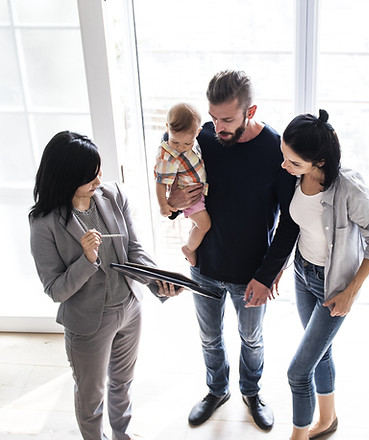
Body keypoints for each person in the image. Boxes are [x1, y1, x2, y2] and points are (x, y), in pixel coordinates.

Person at [165, 70, 299, 431]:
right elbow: (174, 181)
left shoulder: (276, 149)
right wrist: (173, 202)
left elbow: (291, 221)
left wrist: (267, 274)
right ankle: (216, 389)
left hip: (251, 273)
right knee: (209, 336)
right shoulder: (202, 138)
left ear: (250, 111)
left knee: (251, 339)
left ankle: (251, 392)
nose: (217, 126)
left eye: (227, 119)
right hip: (205, 265)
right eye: (212, 117)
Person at [29, 131, 182, 440]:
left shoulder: (113, 195)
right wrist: (87, 259)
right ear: (66, 177)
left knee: (122, 384)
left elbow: (134, 251)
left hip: (129, 308)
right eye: (90, 176)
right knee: (91, 396)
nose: (99, 179)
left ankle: (122, 436)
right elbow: (56, 290)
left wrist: (157, 279)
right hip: (88, 323)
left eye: (98, 171)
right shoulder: (44, 223)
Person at [279, 110, 369, 440]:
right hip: (302, 273)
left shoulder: (349, 190)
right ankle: (327, 420)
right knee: (320, 353)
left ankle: (297, 437)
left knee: (298, 371)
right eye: (284, 157)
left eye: (294, 163)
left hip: (333, 286)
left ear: (321, 162)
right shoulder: (294, 175)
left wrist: (351, 292)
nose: (286, 167)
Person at [153, 103, 210, 266]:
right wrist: (163, 205)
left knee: (196, 224)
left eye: (186, 144)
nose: (180, 148)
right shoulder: (167, 156)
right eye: (175, 142)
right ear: (167, 128)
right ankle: (188, 249)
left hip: (198, 192)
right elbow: (160, 182)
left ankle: (192, 245)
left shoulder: (193, 139)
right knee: (204, 224)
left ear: (197, 133)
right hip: (189, 197)